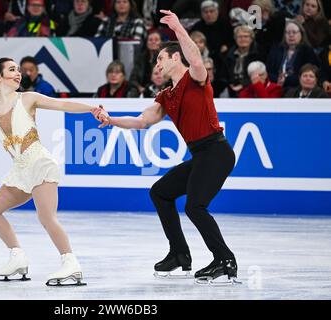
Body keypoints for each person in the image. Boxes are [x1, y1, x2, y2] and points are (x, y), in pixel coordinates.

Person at [93, 10, 240, 285]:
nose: (157, 64)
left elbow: (195, 57)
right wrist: (111, 119)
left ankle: (225, 259)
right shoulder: (166, 95)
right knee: (160, 193)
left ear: (175, 57)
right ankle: (180, 254)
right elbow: (142, 121)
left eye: (161, 58)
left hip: (216, 152)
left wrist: (177, 29)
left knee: (196, 207)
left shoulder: (195, 78)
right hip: (200, 155)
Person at [0, 55, 99, 286]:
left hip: (39, 163)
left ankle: (71, 264)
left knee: (46, 217)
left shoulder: (28, 98)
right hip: (20, 170)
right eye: (12, 69)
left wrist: (91, 108)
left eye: (18, 70)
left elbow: (62, 105)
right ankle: (17, 257)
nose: (18, 73)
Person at [267, 19, 320, 91]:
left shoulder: (307, 52)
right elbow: (268, 71)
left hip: (297, 88)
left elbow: (309, 74)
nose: (291, 35)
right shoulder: (276, 50)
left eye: (294, 32)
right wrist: (278, 79)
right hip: (275, 86)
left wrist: (285, 80)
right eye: (288, 33)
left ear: (301, 34)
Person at [224, 25, 262, 97]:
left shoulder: (258, 55)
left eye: (246, 36)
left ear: (251, 39)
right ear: (235, 39)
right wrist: (230, 85)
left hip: (251, 90)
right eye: (240, 37)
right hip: (231, 90)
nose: (243, 39)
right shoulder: (229, 55)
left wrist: (243, 85)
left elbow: (260, 76)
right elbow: (224, 75)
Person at [129, 30, 163, 96]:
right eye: (150, 40)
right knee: (132, 92)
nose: (153, 42)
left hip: (159, 87)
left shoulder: (165, 58)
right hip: (142, 89)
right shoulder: (140, 58)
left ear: (161, 42)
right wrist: (139, 88)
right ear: (146, 43)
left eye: (156, 40)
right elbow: (133, 79)